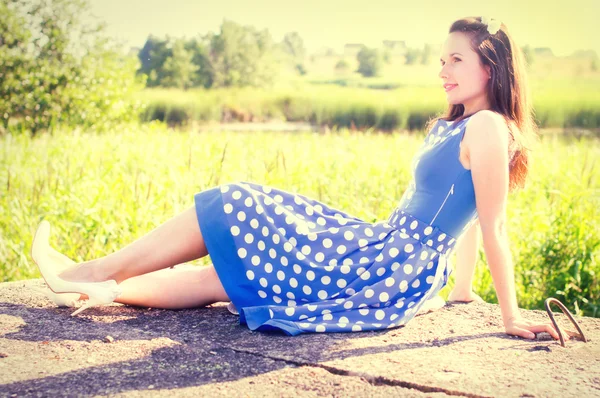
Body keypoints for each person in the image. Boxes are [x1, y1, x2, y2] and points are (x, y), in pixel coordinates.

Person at [31, 16, 562, 340]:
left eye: (454, 60)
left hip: (386, 263)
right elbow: (464, 216)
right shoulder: (464, 125)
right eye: (440, 59)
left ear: (489, 67)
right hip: (385, 251)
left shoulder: (490, 127)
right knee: (232, 277)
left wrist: (509, 318)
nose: (441, 70)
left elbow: (491, 225)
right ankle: (98, 289)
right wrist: (462, 292)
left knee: (238, 203)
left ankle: (89, 273)